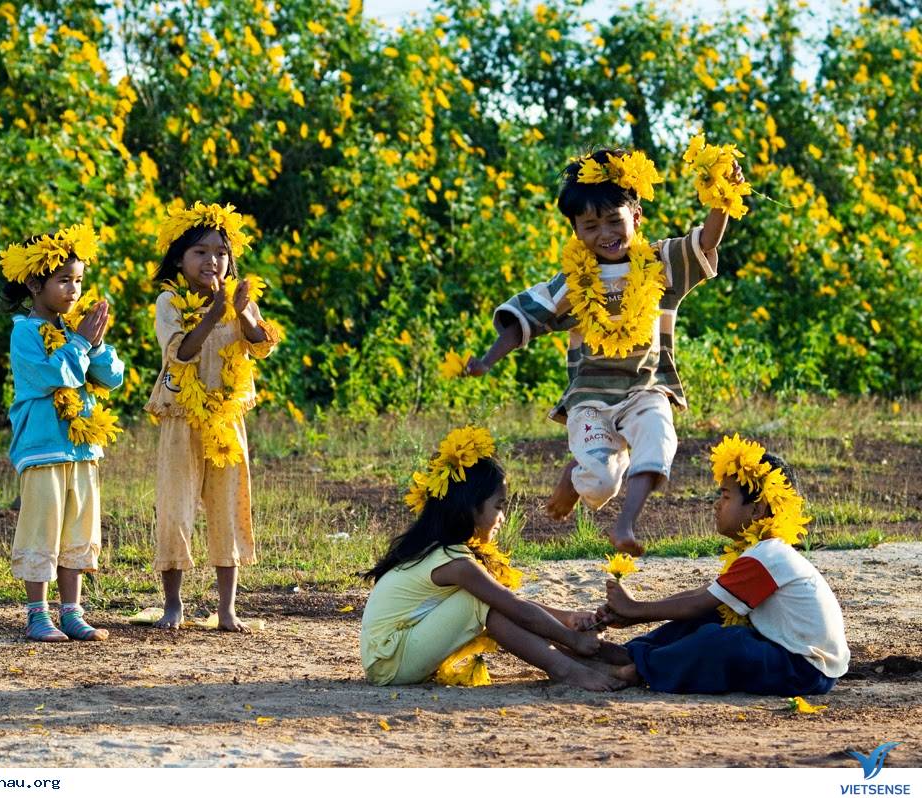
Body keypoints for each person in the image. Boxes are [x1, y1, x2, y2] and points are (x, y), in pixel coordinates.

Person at [467, 148, 744, 555]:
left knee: (659, 438)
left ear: (636, 217)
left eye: (614, 220)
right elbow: (524, 318)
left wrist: (722, 193)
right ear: (576, 231)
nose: (605, 234)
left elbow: (706, 240)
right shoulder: (572, 282)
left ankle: (625, 527)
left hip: (647, 387)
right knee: (602, 481)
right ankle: (578, 471)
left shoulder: (660, 263)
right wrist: (488, 360)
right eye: (590, 225)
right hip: (591, 400)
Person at [360, 425, 623, 690]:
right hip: (390, 661)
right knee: (484, 603)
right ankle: (567, 670)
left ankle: (592, 664)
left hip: (392, 656)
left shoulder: (443, 551)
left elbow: (513, 605)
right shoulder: (454, 562)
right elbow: (514, 606)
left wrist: (566, 618)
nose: (503, 517)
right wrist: (571, 637)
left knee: (492, 603)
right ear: (471, 507)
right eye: (498, 506)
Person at [591, 434, 850, 695]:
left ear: (757, 511)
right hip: (784, 655)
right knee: (713, 616)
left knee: (725, 641)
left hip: (804, 670)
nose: (716, 506)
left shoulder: (768, 556)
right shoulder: (761, 552)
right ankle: (630, 653)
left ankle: (641, 667)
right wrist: (633, 612)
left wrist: (635, 609)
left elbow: (696, 603)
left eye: (726, 497)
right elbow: (705, 595)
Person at [146, 201, 280, 632]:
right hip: (181, 417)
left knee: (228, 508)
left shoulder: (241, 297)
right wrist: (215, 313)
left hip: (226, 420)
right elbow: (180, 354)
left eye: (220, 252)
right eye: (200, 252)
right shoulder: (169, 302)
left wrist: (238, 310)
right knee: (175, 507)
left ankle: (227, 609)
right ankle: (173, 605)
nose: (212, 261)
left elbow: (261, 345)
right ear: (179, 260)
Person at [0, 224, 125, 642]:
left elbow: (111, 378)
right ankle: (38, 613)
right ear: (36, 284)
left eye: (79, 280)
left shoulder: (78, 331)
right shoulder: (25, 333)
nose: (74, 290)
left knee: (79, 530)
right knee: (42, 527)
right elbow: (53, 377)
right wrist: (81, 345)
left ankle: (71, 611)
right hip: (42, 449)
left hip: (82, 447)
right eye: (64, 280)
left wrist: (97, 344)